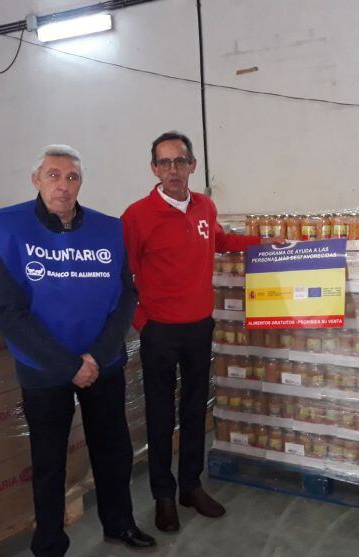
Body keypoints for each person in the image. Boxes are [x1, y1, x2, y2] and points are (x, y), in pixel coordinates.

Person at [0, 145, 155, 557]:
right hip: (44, 368)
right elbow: (9, 313)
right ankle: (50, 553)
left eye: (72, 177)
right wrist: (68, 363)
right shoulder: (10, 230)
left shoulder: (107, 231)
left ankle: (120, 524)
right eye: (54, 175)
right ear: (36, 180)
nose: (63, 185)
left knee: (113, 450)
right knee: (50, 463)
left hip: (102, 361)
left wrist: (97, 354)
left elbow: (126, 295)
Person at [121, 131, 266, 533]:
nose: (173, 170)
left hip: (200, 326)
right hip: (159, 332)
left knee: (195, 407)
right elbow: (122, 274)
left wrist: (263, 243)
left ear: (192, 166)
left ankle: (190, 486)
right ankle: (163, 496)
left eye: (180, 161)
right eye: (164, 163)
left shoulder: (204, 206)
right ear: (154, 169)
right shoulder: (136, 215)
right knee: (161, 415)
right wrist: (141, 321)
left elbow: (219, 240)